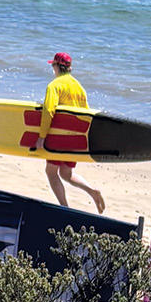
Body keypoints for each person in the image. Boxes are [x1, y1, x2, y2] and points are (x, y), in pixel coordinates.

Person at [34, 52, 106, 213]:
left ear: (56, 66)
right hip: (76, 139)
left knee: (51, 171)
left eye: (53, 65)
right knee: (66, 173)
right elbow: (86, 114)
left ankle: (64, 207)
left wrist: (42, 137)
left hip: (60, 137)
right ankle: (92, 191)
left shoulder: (54, 86)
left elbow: (48, 111)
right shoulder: (79, 88)